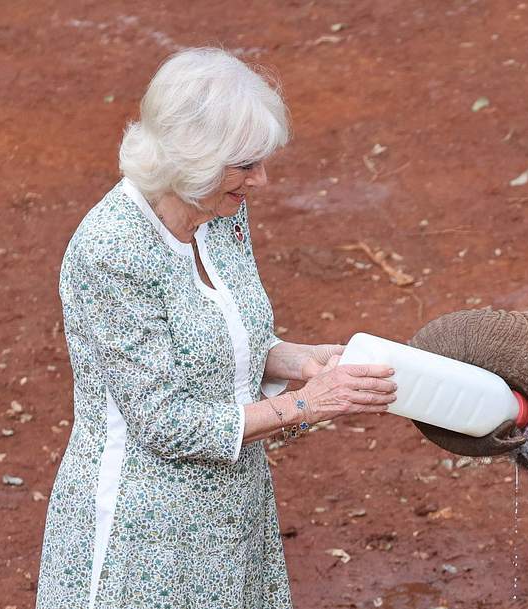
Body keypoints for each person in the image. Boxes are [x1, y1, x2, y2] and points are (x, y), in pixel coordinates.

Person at [36, 47, 397, 609]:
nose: (263, 180)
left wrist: (306, 363)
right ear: (192, 159)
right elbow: (167, 422)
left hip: (234, 512)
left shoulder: (220, 214)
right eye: (246, 165)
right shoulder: (110, 251)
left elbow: (236, 340)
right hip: (145, 536)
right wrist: (307, 406)